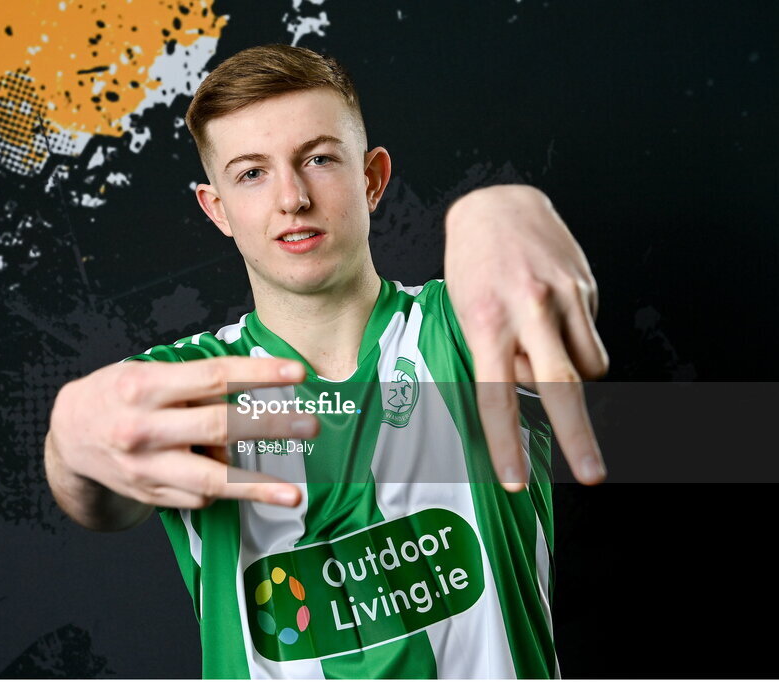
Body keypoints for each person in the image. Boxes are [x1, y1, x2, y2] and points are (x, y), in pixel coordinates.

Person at [44, 44, 608, 678]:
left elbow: (527, 307)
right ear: (217, 209)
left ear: (371, 177)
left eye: (317, 159)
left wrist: (501, 208)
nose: (292, 198)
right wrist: (71, 441)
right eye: (252, 173)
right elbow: (100, 498)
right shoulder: (187, 385)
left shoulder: (467, 333)